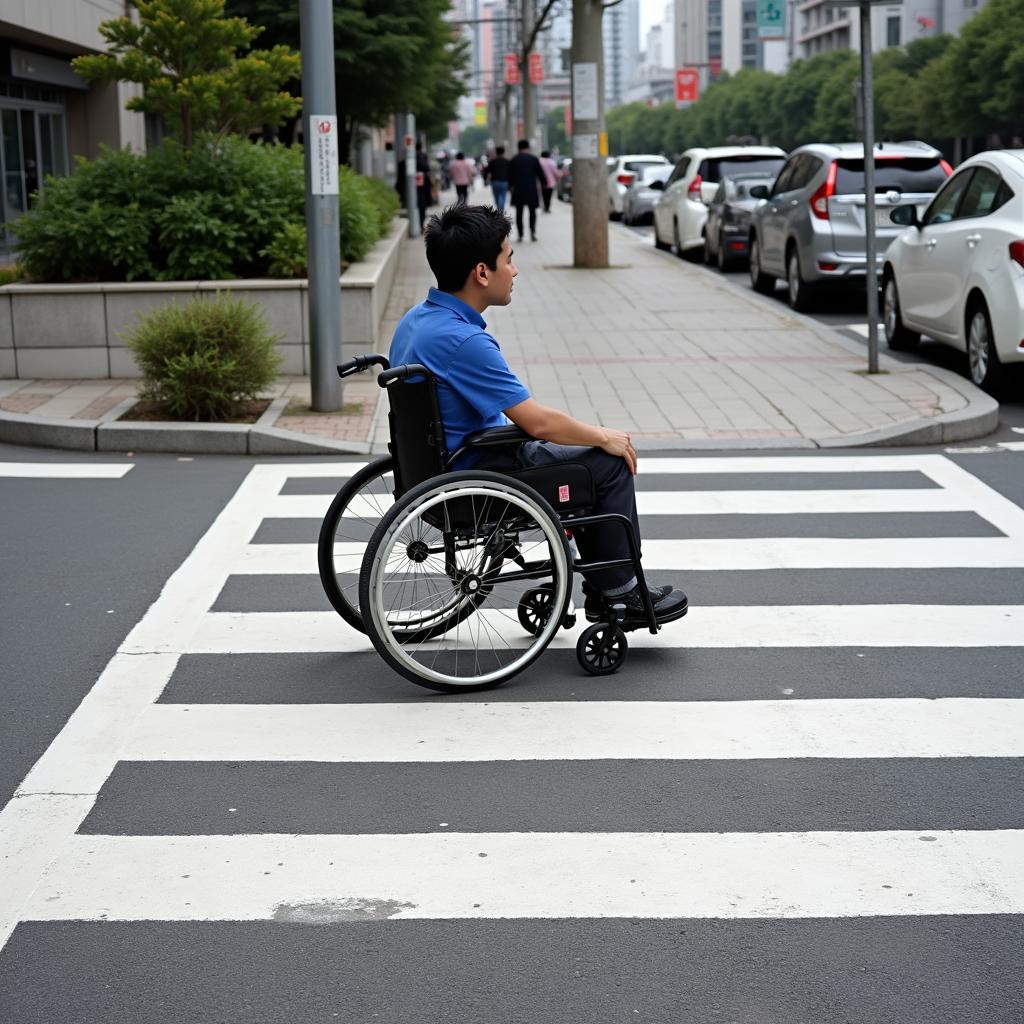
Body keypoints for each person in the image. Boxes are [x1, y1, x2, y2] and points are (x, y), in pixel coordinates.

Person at [388, 203, 687, 623]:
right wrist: (602, 435)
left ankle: (607, 585)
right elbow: (537, 423)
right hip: (481, 478)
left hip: (440, 471)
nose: (515, 270)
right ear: (481, 273)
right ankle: (621, 593)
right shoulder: (463, 341)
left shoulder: (416, 322)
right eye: (508, 259)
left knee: (575, 458)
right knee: (606, 462)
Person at [507, 138, 546, 241]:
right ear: (528, 147)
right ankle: (532, 232)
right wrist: (544, 183)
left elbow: (510, 176)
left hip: (518, 190)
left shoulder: (514, 160)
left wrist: (510, 188)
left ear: (518, 147)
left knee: (519, 213)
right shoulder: (533, 159)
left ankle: (520, 235)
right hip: (531, 189)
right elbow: (540, 174)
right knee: (532, 212)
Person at [484, 145, 510, 212]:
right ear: (503, 152)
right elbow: (511, 172)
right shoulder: (507, 161)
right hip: (504, 182)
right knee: (503, 196)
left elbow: (487, 171)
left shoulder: (492, 162)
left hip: (495, 182)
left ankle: (499, 209)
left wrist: (485, 180)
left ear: (496, 152)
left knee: (497, 197)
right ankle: (501, 209)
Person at [414, 143, 433, 232]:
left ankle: (419, 224)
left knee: (419, 203)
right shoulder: (423, 156)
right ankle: (421, 224)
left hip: (414, 184)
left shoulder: (411, 156)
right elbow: (427, 168)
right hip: (423, 184)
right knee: (422, 204)